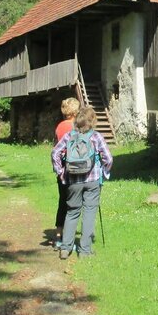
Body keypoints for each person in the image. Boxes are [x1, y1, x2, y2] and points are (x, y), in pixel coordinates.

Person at [51, 106, 112, 259]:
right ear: (92, 122)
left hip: (73, 180)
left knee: (72, 212)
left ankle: (65, 248)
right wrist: (104, 172)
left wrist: (60, 172)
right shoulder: (96, 137)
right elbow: (108, 158)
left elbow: (55, 153)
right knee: (89, 213)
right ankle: (85, 251)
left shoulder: (69, 136)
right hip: (93, 181)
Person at [52, 97, 80, 248]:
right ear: (76, 111)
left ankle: (58, 237)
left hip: (60, 168)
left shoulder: (59, 126)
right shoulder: (76, 127)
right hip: (74, 168)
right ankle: (68, 240)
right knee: (73, 203)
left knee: (62, 201)